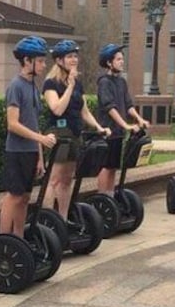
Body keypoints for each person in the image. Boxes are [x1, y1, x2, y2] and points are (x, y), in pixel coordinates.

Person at [42, 39, 110, 218]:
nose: (74, 60)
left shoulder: (78, 84)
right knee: (54, 180)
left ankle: (62, 220)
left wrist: (99, 127)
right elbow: (57, 109)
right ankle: (49, 221)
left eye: (75, 56)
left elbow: (85, 112)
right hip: (59, 133)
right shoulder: (50, 83)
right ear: (59, 61)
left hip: (74, 133)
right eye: (70, 57)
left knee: (67, 179)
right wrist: (70, 86)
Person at [0, 36, 57, 236]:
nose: (43, 64)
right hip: (16, 151)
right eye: (40, 61)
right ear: (26, 61)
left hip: (31, 151)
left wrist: (39, 156)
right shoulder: (16, 86)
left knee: (25, 197)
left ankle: (18, 237)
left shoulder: (33, 86)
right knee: (13, 197)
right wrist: (40, 139)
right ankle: (3, 238)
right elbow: (13, 124)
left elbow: (34, 123)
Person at [95, 43, 149, 194]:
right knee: (105, 167)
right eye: (118, 59)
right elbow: (109, 107)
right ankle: (102, 198)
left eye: (122, 59)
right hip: (108, 131)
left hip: (118, 132)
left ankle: (110, 197)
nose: (122, 62)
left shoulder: (121, 82)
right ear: (108, 62)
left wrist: (139, 119)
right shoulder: (104, 82)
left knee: (113, 167)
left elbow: (128, 105)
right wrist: (125, 125)